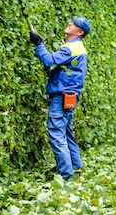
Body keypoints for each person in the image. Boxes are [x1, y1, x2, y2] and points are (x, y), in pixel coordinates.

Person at [29, 16, 91, 181]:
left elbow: (49, 61)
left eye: (75, 24)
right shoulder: (77, 47)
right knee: (65, 131)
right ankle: (75, 166)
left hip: (62, 96)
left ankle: (65, 174)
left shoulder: (72, 48)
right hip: (69, 96)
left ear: (80, 32)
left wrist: (38, 44)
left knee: (56, 131)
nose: (70, 23)